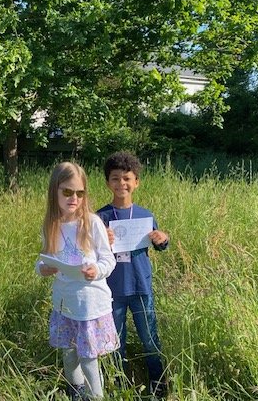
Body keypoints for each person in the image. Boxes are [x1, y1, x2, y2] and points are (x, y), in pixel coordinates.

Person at [36, 162, 119, 400]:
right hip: (64, 303)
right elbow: (42, 259)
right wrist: (44, 268)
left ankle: (95, 396)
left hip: (90, 304)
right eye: (67, 192)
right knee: (69, 353)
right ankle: (75, 390)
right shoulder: (51, 225)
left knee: (88, 357)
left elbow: (108, 260)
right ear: (54, 191)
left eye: (80, 193)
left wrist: (96, 270)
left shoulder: (91, 222)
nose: (74, 198)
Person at [96, 152, 169, 399]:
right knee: (115, 343)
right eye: (115, 178)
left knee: (149, 338)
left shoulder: (145, 216)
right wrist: (101, 241)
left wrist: (163, 238)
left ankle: (158, 384)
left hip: (140, 287)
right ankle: (120, 386)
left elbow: (160, 243)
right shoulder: (99, 218)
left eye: (127, 178)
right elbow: (89, 252)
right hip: (111, 291)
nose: (121, 184)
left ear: (136, 182)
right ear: (108, 182)